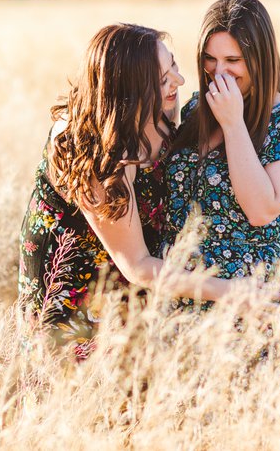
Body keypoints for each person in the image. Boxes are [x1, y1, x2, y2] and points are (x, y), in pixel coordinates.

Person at [18, 23, 247, 358]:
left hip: (134, 285)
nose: (179, 83)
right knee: (76, 395)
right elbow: (137, 265)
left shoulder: (157, 111)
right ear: (127, 90)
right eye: (163, 79)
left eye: (174, 68)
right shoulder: (89, 148)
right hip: (75, 294)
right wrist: (234, 291)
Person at [161, 0, 280, 304]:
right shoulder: (198, 106)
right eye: (210, 59)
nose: (219, 71)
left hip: (245, 297)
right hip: (177, 288)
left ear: (260, 59)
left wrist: (233, 124)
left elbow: (261, 211)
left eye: (232, 61)